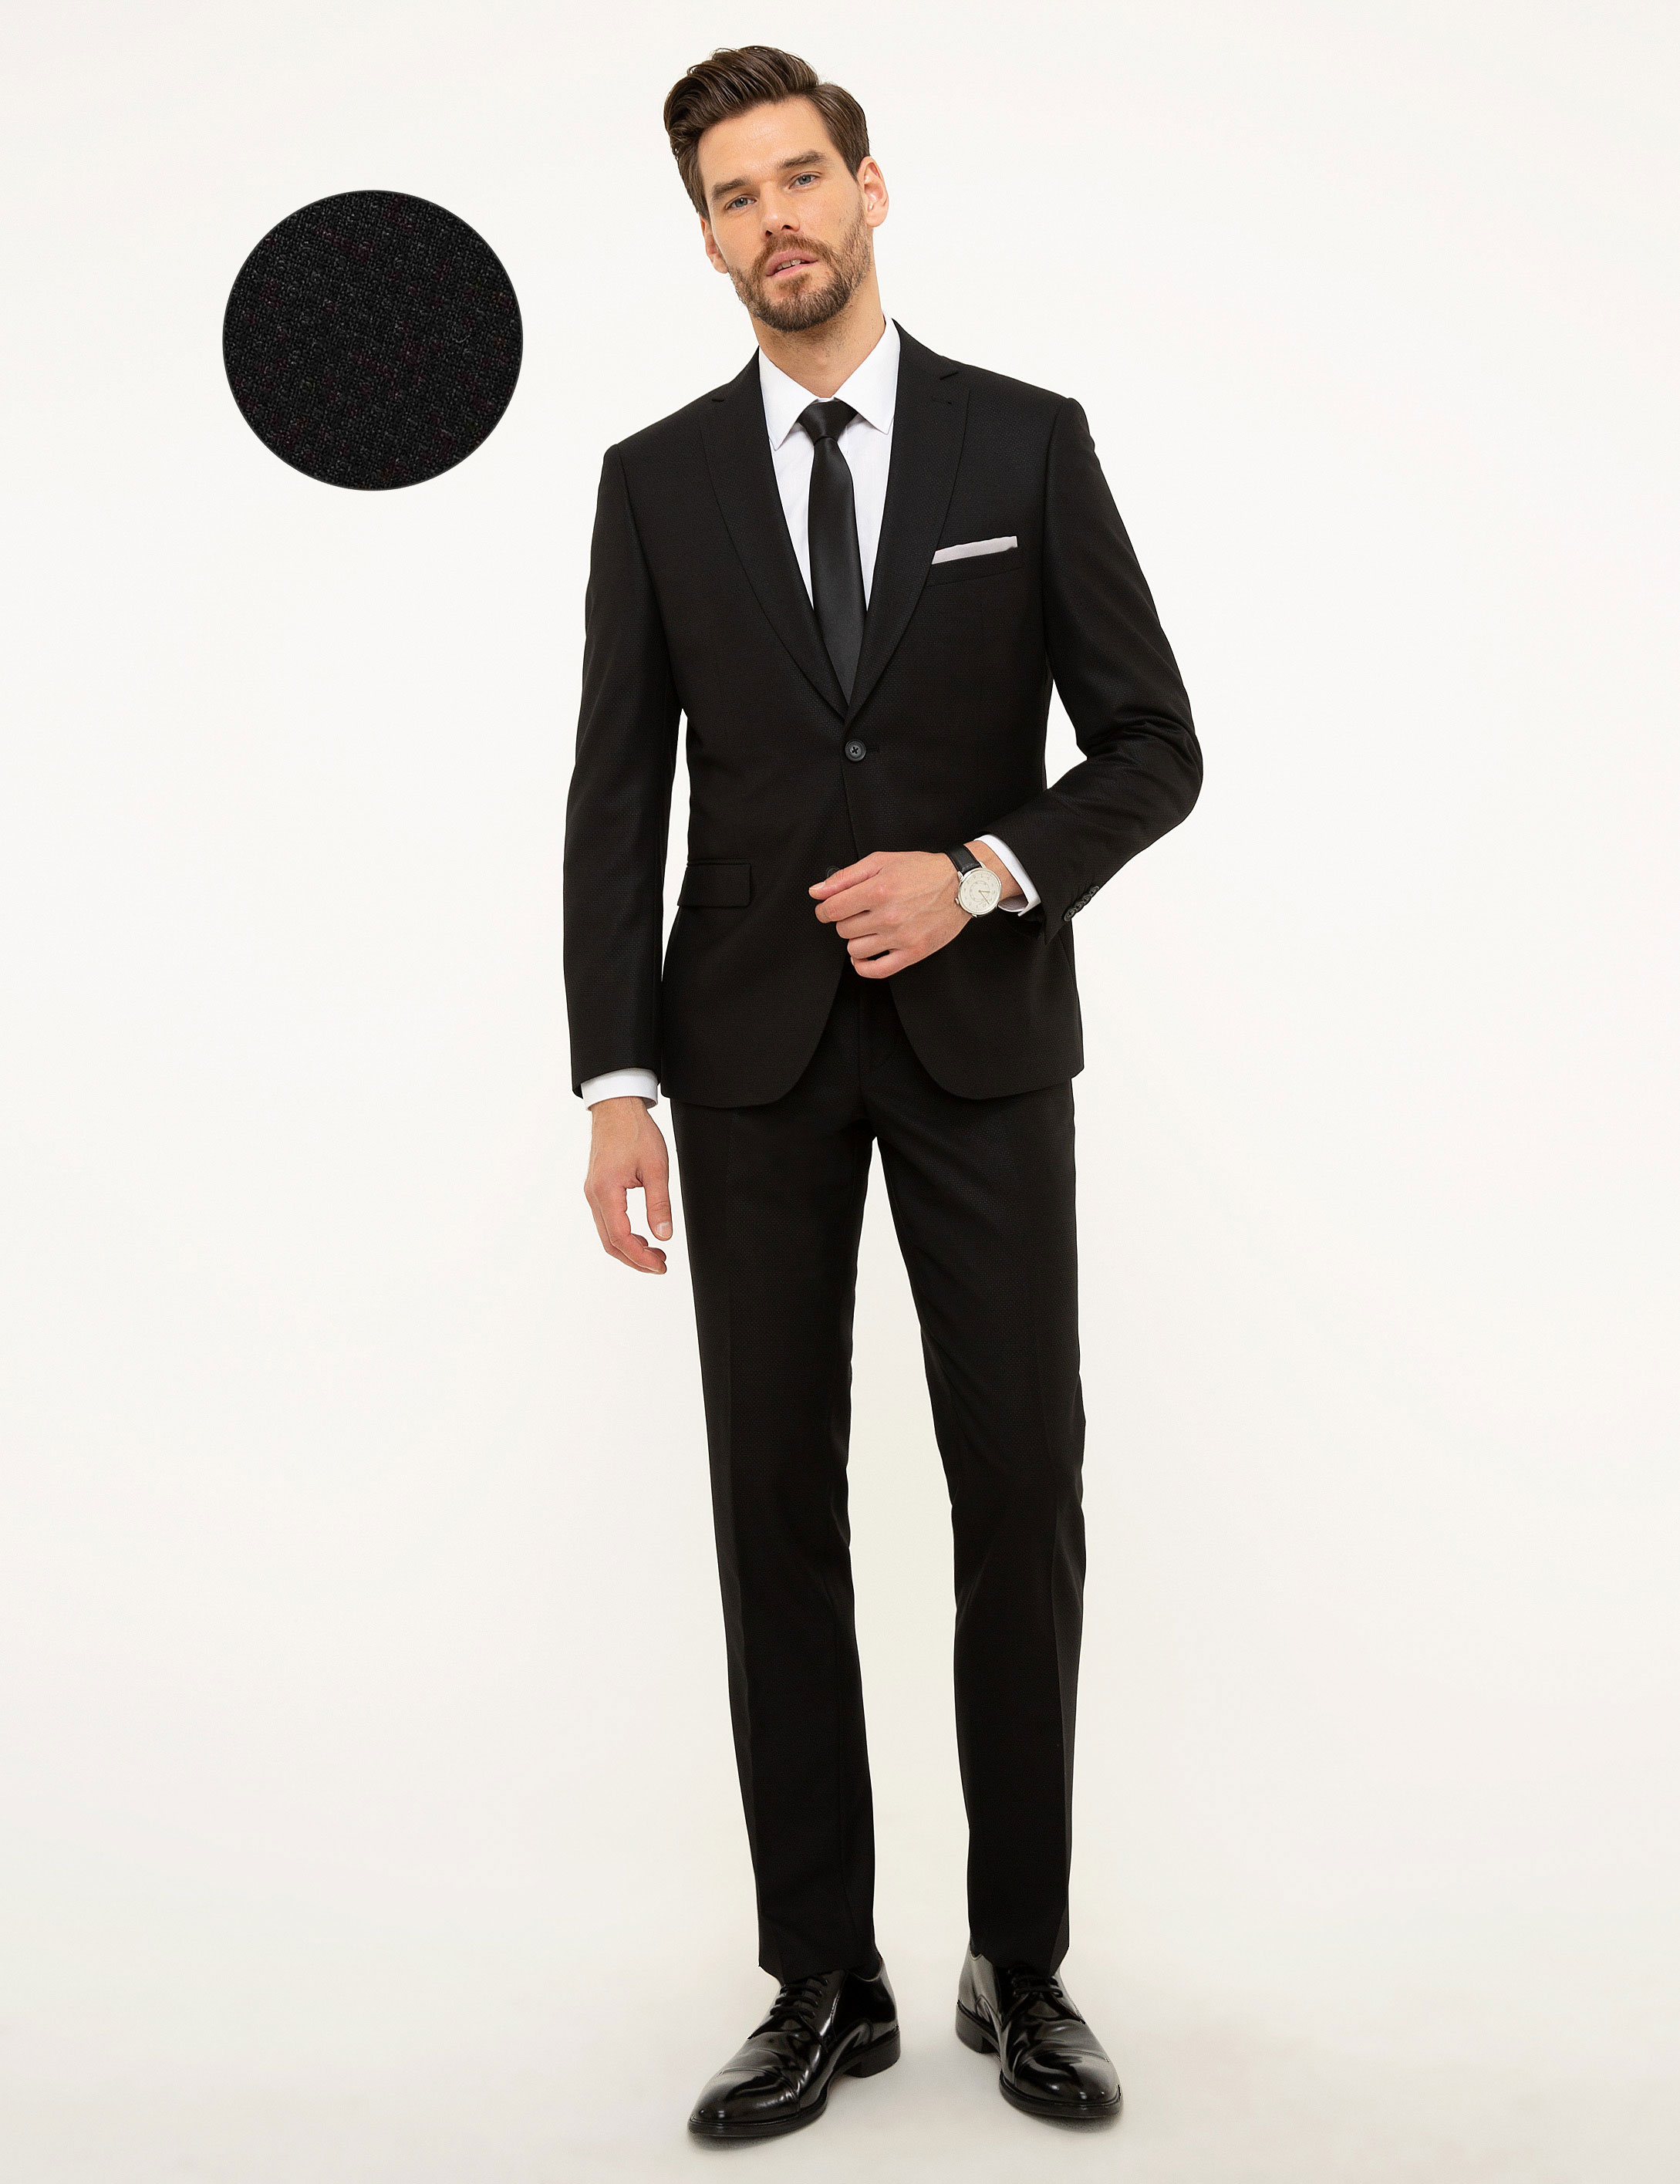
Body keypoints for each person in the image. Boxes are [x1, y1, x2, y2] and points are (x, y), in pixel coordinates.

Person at [562, 44, 1201, 2141]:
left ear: (870, 187)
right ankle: (818, 1979)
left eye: (800, 176)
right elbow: (614, 795)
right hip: (740, 1059)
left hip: (981, 1043)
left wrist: (985, 871)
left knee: (1018, 1489)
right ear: (706, 237)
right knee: (774, 1505)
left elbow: (1151, 745)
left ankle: (1020, 1960)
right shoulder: (654, 481)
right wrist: (615, 1079)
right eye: (732, 196)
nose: (776, 221)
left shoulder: (1027, 442)